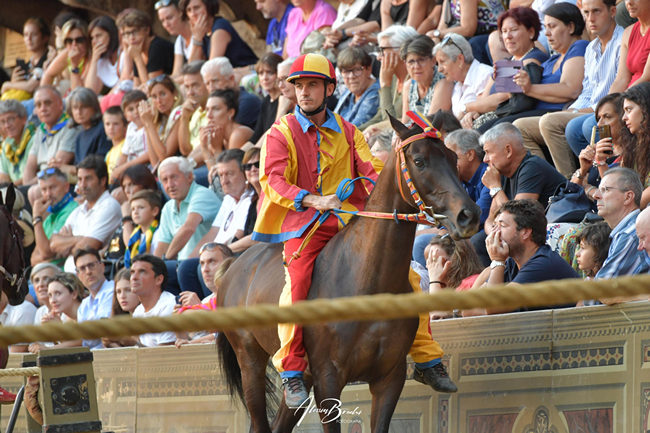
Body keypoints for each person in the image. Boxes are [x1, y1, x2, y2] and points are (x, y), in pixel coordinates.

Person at [252, 53, 455, 408]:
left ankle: (426, 358)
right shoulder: (279, 133)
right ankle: (292, 370)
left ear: (329, 89)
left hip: (349, 221)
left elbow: (373, 172)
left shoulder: (349, 131)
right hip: (302, 225)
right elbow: (271, 181)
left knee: (409, 279)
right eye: (299, 86)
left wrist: (400, 196)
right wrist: (312, 200)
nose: (304, 93)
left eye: (312, 85)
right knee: (296, 285)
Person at [514, 0, 622, 177]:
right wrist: (574, 110)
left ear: (612, 11)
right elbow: (587, 91)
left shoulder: (619, 41)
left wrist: (576, 111)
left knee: (554, 122)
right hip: (584, 108)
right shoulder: (591, 48)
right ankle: (551, 181)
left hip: (606, 111)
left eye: (596, 11)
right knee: (520, 127)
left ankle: (571, 185)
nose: (590, 19)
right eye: (586, 13)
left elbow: (576, 90)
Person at [484, 3, 588, 130]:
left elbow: (571, 90)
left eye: (552, 27)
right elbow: (500, 95)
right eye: (504, 31)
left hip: (554, 115)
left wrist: (529, 88)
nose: (547, 34)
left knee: (497, 128)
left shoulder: (576, 47)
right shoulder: (551, 60)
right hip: (534, 113)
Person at [475, 122, 566, 265]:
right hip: (520, 233)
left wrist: (494, 187)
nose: (485, 160)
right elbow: (490, 219)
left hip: (543, 237)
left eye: (488, 152)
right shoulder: (502, 173)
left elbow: (519, 217)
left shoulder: (532, 167)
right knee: (478, 242)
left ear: (508, 150)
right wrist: (496, 233)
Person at [471, 200, 579, 314]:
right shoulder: (511, 263)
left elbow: (493, 308)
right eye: (494, 225)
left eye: (502, 225)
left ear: (525, 233)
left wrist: (497, 261)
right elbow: (468, 310)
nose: (494, 232)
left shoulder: (543, 264)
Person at [460, 7, 548, 130]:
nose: (507, 36)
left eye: (513, 30)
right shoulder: (508, 62)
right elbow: (484, 98)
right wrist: (474, 111)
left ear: (531, 32)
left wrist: (467, 108)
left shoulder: (533, 58)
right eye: (504, 31)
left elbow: (501, 98)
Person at [154, 156, 221, 294]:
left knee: (178, 269)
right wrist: (151, 266)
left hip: (205, 260)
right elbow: (162, 244)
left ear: (190, 177)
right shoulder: (167, 207)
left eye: (174, 177)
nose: (169, 184)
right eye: (165, 180)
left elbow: (188, 229)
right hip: (183, 264)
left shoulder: (202, 194)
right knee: (151, 276)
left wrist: (164, 261)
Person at [51, 155, 122, 272]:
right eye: (79, 179)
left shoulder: (109, 206)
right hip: (70, 278)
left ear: (103, 180)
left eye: (88, 179)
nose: (82, 185)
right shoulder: (78, 210)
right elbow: (54, 245)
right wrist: (79, 240)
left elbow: (86, 249)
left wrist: (69, 242)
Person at [592, 167, 649, 279]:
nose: (596, 195)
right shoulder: (627, 230)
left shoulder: (629, 234)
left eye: (605, 189)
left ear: (628, 197)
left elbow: (602, 288)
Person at [362, 24, 418, 128]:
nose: (378, 57)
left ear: (403, 50)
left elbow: (392, 124)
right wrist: (353, 133)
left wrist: (385, 86)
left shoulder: (415, 82)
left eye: (382, 50)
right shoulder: (393, 78)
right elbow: (378, 118)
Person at [22, 86, 79, 187]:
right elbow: (30, 166)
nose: (43, 109)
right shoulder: (40, 129)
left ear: (60, 104)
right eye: (38, 105)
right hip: (39, 182)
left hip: (57, 183)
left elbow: (54, 168)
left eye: (47, 103)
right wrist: (25, 186)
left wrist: (26, 188)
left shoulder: (70, 126)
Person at [433, 33, 492, 121]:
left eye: (443, 62)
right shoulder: (457, 85)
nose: (439, 69)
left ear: (460, 59)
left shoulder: (485, 74)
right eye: (438, 64)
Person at [181, 0, 258, 67]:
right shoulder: (202, 33)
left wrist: (197, 39)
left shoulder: (220, 27)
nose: (193, 14)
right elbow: (192, 69)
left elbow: (212, 67)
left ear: (208, 7)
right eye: (189, 10)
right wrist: (197, 38)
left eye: (197, 8)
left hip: (248, 74)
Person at [30, 167, 78, 266]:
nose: (48, 194)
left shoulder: (73, 211)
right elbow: (33, 259)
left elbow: (45, 253)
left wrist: (37, 218)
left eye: (53, 187)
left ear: (66, 187)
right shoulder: (49, 218)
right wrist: (52, 257)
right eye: (44, 189)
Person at [444, 129, 491, 228]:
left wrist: (454, 186)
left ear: (470, 154)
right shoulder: (461, 179)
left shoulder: (489, 175)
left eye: (450, 156)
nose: (446, 163)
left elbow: (475, 218)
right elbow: (444, 220)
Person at [1, 17, 55, 101]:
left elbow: (31, 86)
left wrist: (8, 85)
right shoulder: (30, 62)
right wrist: (14, 81)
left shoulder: (47, 59)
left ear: (45, 38)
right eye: (26, 35)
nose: (29, 39)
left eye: (34, 34)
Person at [200, 57, 262, 129]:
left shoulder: (247, 102)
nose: (211, 88)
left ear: (231, 79)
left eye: (215, 81)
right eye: (207, 83)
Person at [402, 35, 452, 123]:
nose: (416, 66)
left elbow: (430, 125)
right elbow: (405, 122)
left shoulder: (444, 83)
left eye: (421, 60)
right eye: (411, 61)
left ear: (433, 61)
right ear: (405, 64)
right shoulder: (408, 86)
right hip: (413, 134)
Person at [117, 9, 174, 86]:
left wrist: (137, 58)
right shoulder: (137, 49)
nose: (131, 38)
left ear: (147, 30)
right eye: (127, 34)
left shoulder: (157, 46)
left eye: (135, 32)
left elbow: (152, 87)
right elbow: (136, 86)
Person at [130, 254, 177, 347]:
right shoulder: (138, 311)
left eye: (142, 271)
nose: (134, 277)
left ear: (159, 279)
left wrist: (129, 342)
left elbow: (163, 356)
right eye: (132, 272)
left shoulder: (169, 306)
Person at [138, 74, 183, 167]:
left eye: (163, 94)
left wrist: (149, 124)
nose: (159, 100)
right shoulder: (160, 120)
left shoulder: (180, 114)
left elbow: (165, 157)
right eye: (154, 96)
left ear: (174, 93)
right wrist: (147, 125)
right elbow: (155, 163)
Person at [74, 248, 114, 349]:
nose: (88, 272)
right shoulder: (84, 305)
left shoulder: (113, 290)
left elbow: (102, 331)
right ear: (78, 275)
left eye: (91, 265)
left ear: (102, 266)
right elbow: (84, 340)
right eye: (82, 268)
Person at [177, 61, 210, 182]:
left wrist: (184, 167)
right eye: (187, 87)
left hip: (207, 164)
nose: (190, 92)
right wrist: (184, 118)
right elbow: (185, 150)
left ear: (207, 83)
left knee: (179, 181)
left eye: (195, 85)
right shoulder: (194, 112)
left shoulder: (215, 110)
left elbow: (208, 146)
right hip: (192, 165)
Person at [618, 82, 650, 208]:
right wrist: (601, 162)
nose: (624, 118)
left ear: (646, 109)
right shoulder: (633, 146)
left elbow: (636, 204)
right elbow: (619, 187)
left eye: (629, 110)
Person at [609, 0, 650, 93]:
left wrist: (622, 100)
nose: (629, 2)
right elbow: (621, 79)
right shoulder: (628, 32)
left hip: (643, 97)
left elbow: (646, 78)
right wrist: (608, 102)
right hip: (630, 97)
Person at [333, 47, 379, 127]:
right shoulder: (349, 91)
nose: (351, 76)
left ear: (368, 69)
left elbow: (354, 129)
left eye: (357, 70)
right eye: (346, 71)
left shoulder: (375, 94)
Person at [41, 18, 90, 93]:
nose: (74, 44)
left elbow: (78, 93)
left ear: (87, 41)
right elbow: (48, 75)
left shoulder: (91, 56)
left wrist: (74, 65)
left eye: (79, 40)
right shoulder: (67, 52)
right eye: (69, 41)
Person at [112, 90, 150, 181]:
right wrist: (117, 169)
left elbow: (148, 155)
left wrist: (124, 167)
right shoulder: (131, 127)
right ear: (125, 116)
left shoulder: (150, 125)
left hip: (147, 168)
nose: (136, 111)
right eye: (131, 109)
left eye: (139, 106)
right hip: (131, 170)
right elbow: (124, 154)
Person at [68, 87, 111, 165]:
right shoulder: (79, 137)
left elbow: (99, 165)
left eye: (84, 107)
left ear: (94, 108)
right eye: (75, 108)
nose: (79, 112)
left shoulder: (103, 129)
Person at [0, 99, 36, 185]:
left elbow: (33, 175)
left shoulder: (34, 138)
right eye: (2, 121)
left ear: (24, 118)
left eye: (11, 119)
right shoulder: (6, 144)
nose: (7, 125)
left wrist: (10, 189)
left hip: (30, 188)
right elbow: (3, 176)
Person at [250, 53, 284, 145]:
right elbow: (256, 136)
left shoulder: (285, 100)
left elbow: (275, 133)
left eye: (270, 73)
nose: (264, 78)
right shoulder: (266, 101)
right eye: (261, 73)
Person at [102, 268, 140, 348]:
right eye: (118, 292)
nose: (122, 296)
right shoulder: (117, 319)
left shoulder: (146, 315)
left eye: (128, 290)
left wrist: (124, 340)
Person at [124, 189, 162, 268]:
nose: (135, 212)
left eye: (141, 208)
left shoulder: (160, 233)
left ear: (155, 211)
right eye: (133, 209)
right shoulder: (135, 235)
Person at [155, 0, 193, 79]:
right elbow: (176, 74)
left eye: (169, 18)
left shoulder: (198, 34)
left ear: (181, 12)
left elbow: (192, 72)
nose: (166, 24)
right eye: (162, 21)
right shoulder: (180, 40)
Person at [85, 16, 121, 95]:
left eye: (98, 36)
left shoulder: (123, 52)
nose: (94, 41)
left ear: (111, 35)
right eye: (92, 38)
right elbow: (91, 90)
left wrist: (106, 100)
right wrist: (94, 60)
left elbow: (124, 81)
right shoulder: (101, 60)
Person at [103, 106, 128, 184]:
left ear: (125, 126)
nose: (111, 128)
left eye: (116, 124)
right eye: (107, 124)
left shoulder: (126, 146)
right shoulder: (109, 153)